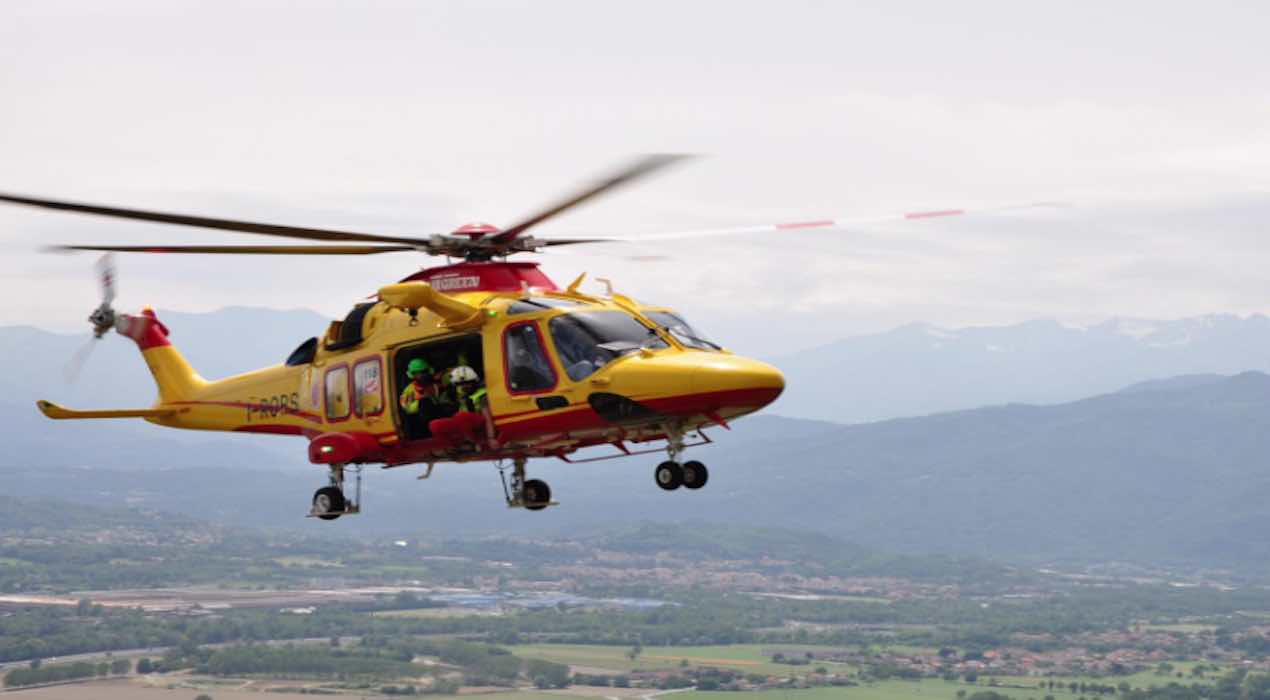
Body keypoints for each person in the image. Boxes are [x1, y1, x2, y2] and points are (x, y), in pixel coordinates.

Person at [428, 365, 490, 448]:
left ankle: (472, 443)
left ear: (475, 382)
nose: (464, 386)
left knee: (461, 416)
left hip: (481, 428)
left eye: (468, 383)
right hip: (464, 428)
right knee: (434, 424)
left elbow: (488, 418)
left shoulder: (482, 395)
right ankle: (451, 448)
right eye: (460, 384)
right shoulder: (459, 396)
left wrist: (491, 438)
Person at [399, 358, 443, 434]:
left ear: (429, 372)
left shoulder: (436, 385)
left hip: (438, 419)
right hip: (420, 422)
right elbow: (407, 408)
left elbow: (442, 401)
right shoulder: (409, 390)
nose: (421, 375)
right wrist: (420, 402)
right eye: (417, 373)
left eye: (423, 372)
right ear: (412, 375)